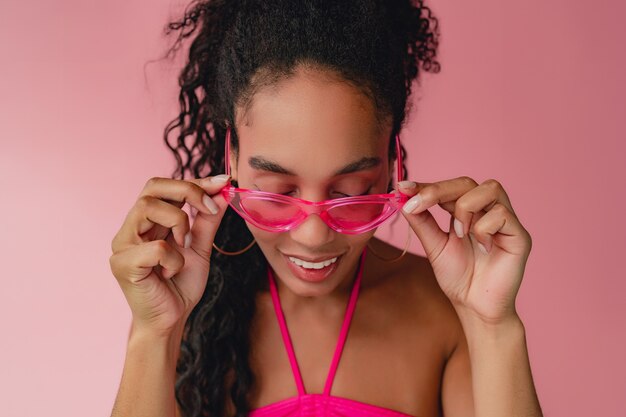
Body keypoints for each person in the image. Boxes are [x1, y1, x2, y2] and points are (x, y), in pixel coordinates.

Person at [109, 1, 543, 416]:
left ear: (392, 165)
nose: (314, 236)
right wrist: (154, 334)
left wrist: (493, 327)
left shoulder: (445, 312)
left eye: (351, 191)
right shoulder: (188, 316)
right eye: (277, 190)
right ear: (232, 160)